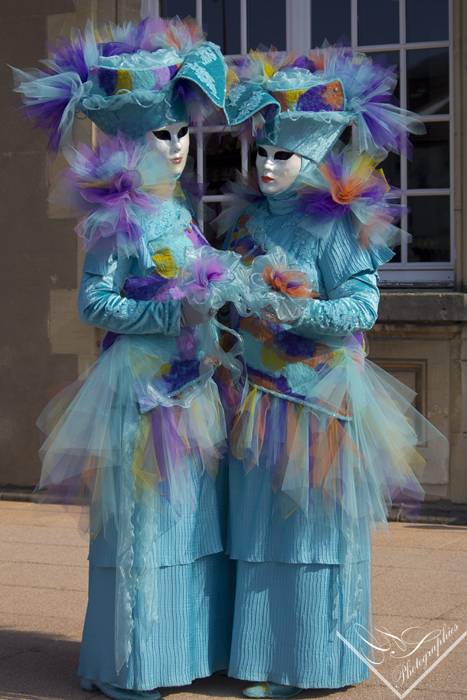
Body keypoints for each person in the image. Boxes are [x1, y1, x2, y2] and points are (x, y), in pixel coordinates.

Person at [12, 17, 237, 700]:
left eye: (180, 133)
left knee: (189, 520)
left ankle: (185, 650)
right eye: (159, 135)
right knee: (145, 524)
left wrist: (222, 289)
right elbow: (93, 304)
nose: (175, 147)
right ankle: (135, 664)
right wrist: (171, 313)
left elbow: (200, 279)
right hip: (139, 389)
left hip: (192, 382)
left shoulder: (179, 212)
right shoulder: (120, 216)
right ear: (132, 140)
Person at [219, 46, 449, 697]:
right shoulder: (246, 223)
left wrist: (297, 308)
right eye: (261, 153)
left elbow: (362, 307)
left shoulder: (336, 223)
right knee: (262, 528)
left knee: (314, 533)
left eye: (282, 156)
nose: (266, 167)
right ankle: (266, 659)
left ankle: (317, 663)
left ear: (314, 155)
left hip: (318, 398)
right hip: (257, 394)